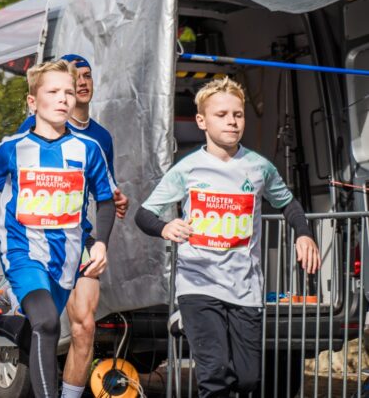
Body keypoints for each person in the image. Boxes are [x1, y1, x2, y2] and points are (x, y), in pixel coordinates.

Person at [0, 59, 116, 398]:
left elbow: (106, 200)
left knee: (41, 332)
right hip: (22, 252)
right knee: (48, 323)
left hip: (66, 255)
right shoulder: (13, 147)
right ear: (33, 102)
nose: (64, 98)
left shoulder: (89, 149)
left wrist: (101, 244)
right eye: (53, 92)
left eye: (68, 92)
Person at [135, 77, 320, 397]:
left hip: (245, 288)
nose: (232, 121)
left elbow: (288, 203)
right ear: (202, 121)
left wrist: (303, 235)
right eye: (222, 115)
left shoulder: (259, 167)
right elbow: (144, 213)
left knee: (248, 379)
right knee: (215, 375)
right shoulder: (187, 169)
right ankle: (186, 317)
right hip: (198, 284)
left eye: (238, 114)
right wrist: (165, 227)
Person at [9, 54, 129, 398]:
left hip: (80, 238)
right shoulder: (33, 126)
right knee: (41, 325)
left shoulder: (100, 137)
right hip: (35, 241)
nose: (81, 82)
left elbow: (105, 187)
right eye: (74, 76)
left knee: (84, 326)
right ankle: (1, 308)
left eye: (87, 75)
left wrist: (118, 199)